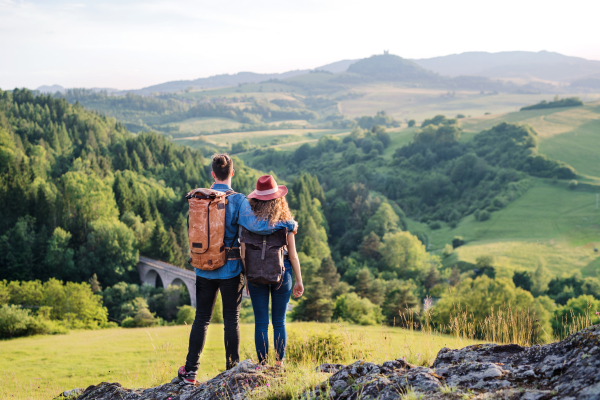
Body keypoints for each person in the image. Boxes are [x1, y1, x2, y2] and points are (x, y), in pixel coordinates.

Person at [178, 155, 296, 385]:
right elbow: (258, 227)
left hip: (202, 268)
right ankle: (231, 370)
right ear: (233, 173)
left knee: (201, 319)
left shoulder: (198, 197)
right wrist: (287, 224)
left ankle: (190, 371)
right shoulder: (239, 200)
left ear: (213, 174)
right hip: (230, 269)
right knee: (231, 319)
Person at [241, 175, 304, 366]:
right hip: (282, 274)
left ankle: (262, 365)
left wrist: (246, 280)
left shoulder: (247, 223)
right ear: (278, 199)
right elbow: (292, 256)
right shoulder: (286, 223)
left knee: (261, 322)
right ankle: (279, 365)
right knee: (279, 321)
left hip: (255, 275)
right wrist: (299, 280)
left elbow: (243, 255)